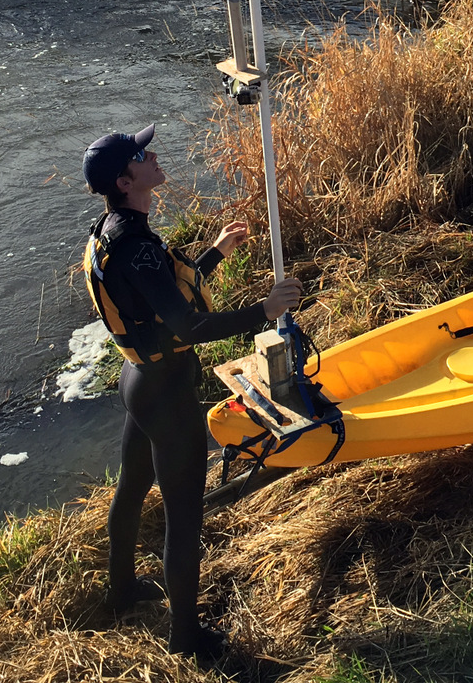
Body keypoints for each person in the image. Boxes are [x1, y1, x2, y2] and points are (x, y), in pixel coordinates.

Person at [80, 123, 300, 658]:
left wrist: (217, 252)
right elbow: (188, 327)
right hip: (167, 391)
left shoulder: (112, 232)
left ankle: (121, 591)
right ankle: (186, 637)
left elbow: (158, 294)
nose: (152, 156)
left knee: (133, 487)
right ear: (126, 179)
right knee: (184, 514)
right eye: (141, 154)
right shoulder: (136, 244)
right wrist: (264, 311)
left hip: (138, 381)